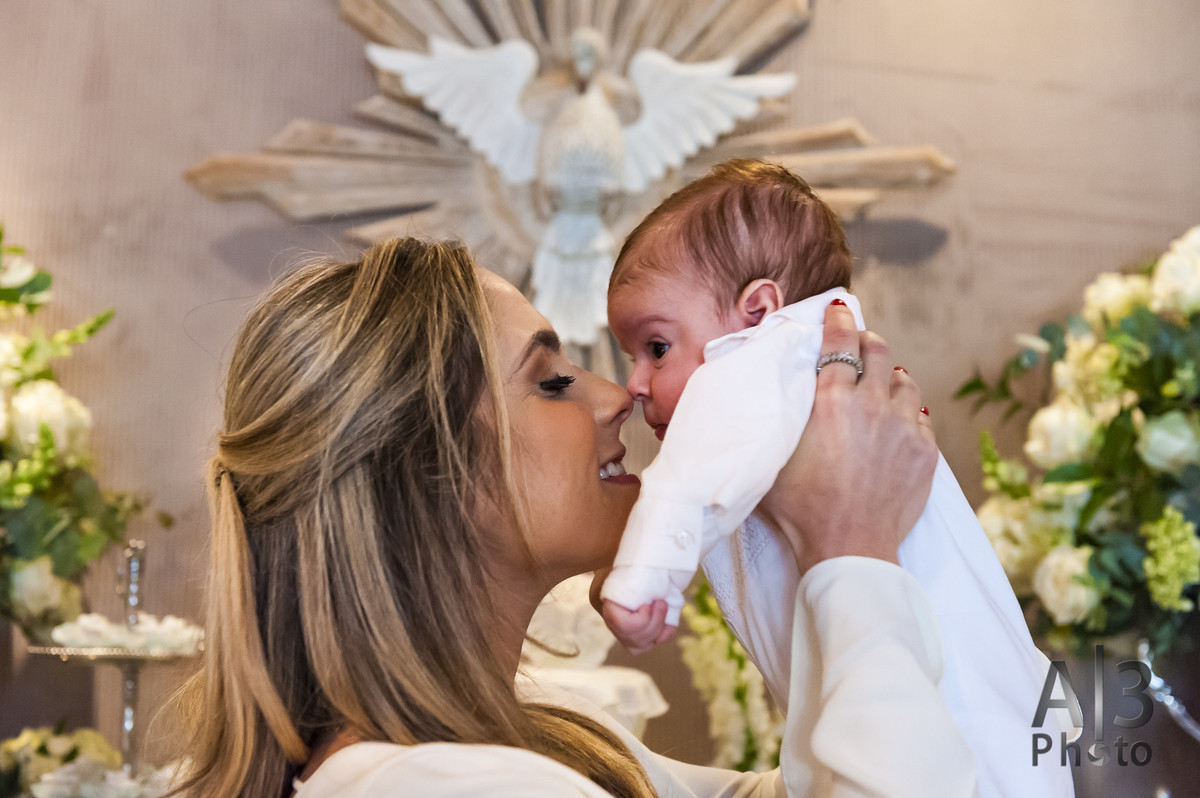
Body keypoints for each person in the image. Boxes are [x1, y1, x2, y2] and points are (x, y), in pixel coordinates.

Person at [171, 236, 978, 797]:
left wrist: (800, 515)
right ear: (423, 473)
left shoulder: (558, 742)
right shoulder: (430, 788)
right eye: (551, 381)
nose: (619, 394)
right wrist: (852, 546)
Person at [597, 159, 1073, 798]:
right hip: (979, 728)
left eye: (656, 348)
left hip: (936, 735)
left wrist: (641, 578)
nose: (634, 383)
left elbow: (684, 483)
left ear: (759, 310)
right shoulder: (816, 375)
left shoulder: (758, 358)